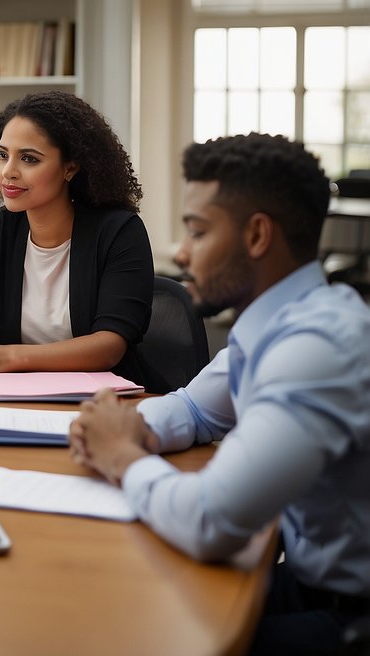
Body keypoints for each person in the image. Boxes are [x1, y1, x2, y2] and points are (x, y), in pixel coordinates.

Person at [68, 133, 370, 656]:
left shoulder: (317, 351)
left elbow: (211, 523)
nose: (182, 252)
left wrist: (120, 455)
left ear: (257, 235)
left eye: (198, 231)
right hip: (308, 582)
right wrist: (136, 428)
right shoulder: (281, 323)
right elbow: (193, 407)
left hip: (348, 616)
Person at [0, 91, 154, 386]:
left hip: (102, 403)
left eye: (28, 158)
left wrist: (6, 357)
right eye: (2, 155)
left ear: (70, 168)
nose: (8, 172)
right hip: (15, 396)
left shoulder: (119, 231)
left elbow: (109, 346)